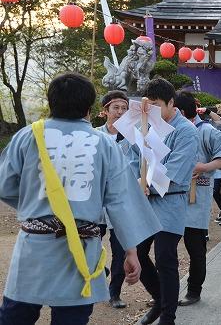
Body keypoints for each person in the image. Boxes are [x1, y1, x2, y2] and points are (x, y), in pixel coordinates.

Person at [0, 72, 161, 325]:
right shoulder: (104, 144)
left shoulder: (26, 136)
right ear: (89, 107)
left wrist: (35, 208)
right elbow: (121, 201)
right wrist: (132, 252)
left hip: (34, 247)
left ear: (51, 101)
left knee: (16, 315)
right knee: (72, 317)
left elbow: (5, 186)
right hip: (82, 249)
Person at [130, 78, 199, 325]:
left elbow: (176, 169)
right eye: (150, 105)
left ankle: (168, 315)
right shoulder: (147, 124)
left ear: (171, 103)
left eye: (157, 105)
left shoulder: (187, 130)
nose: (153, 111)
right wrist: (138, 181)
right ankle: (159, 301)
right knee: (137, 252)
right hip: (146, 200)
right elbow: (133, 157)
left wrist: (148, 182)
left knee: (165, 256)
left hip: (171, 200)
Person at [174, 90, 221, 307]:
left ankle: (193, 290)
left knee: (195, 246)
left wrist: (205, 166)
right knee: (166, 248)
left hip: (196, 196)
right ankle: (166, 290)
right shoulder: (168, 130)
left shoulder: (206, 130)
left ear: (179, 111)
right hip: (171, 197)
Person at [96, 90, 131, 309]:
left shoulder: (134, 137)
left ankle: (114, 292)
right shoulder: (93, 135)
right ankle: (100, 272)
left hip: (120, 204)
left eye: (124, 108)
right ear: (105, 111)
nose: (120, 112)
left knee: (120, 251)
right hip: (96, 204)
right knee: (89, 246)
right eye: (116, 108)